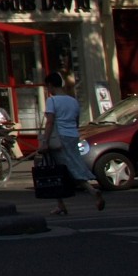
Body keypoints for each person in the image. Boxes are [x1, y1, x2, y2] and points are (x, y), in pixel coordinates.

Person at [40, 71, 105, 216]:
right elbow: (76, 120)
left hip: (59, 137)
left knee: (60, 170)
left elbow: (50, 122)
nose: (47, 89)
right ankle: (60, 204)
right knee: (70, 165)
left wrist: (45, 141)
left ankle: (92, 191)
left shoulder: (53, 101)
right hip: (72, 135)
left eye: (47, 86)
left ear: (50, 85)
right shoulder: (73, 100)